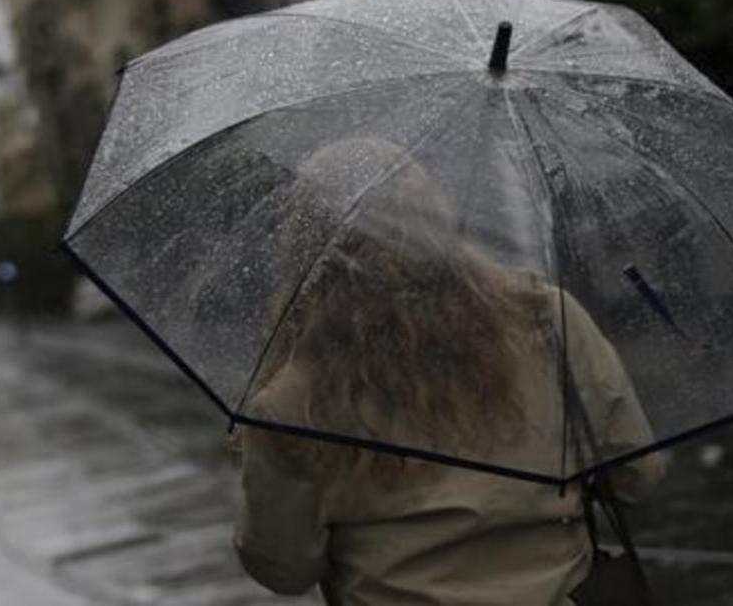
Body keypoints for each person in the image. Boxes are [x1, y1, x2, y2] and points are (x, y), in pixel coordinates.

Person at [231, 141, 665, 606]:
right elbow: (636, 474)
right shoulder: (545, 320)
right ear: (435, 214)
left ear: (308, 245)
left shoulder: (292, 403)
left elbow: (284, 567)